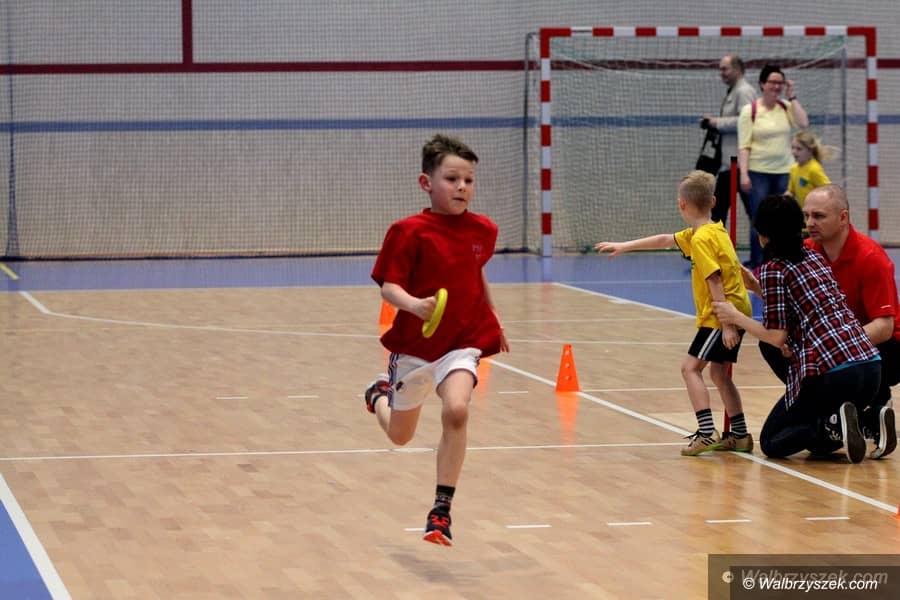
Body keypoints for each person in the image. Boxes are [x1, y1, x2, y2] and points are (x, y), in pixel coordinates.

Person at [363, 134, 509, 546]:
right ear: (426, 183)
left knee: (457, 410)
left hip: (462, 340)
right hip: (415, 348)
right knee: (400, 436)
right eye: (452, 179)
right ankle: (379, 396)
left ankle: (441, 511)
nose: (462, 187)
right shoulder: (408, 232)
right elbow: (389, 287)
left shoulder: (484, 229)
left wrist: (494, 315)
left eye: (469, 180)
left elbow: (476, 269)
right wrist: (415, 305)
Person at [713, 194, 881, 464]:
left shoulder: (774, 268)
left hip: (834, 374)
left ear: (764, 235)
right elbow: (800, 306)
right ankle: (868, 418)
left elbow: (776, 335)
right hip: (870, 367)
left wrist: (735, 316)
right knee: (819, 450)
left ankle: (834, 422)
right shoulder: (814, 256)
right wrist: (756, 287)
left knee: (773, 441)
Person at [595, 170, 753, 455]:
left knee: (689, 368)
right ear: (713, 201)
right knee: (719, 374)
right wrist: (625, 246)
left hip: (720, 316)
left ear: (681, 204)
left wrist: (728, 324)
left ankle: (706, 432)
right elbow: (664, 240)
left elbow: (714, 279)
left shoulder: (701, 239)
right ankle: (740, 435)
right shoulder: (715, 230)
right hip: (737, 309)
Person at [758, 184, 898, 459]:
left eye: (819, 216)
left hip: (885, 348)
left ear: (843, 217)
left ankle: (869, 407)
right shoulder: (809, 251)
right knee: (820, 447)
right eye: (806, 216)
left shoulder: (870, 257)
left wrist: (835, 347)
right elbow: (792, 306)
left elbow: (884, 327)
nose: (810, 223)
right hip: (842, 350)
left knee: (776, 440)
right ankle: (854, 418)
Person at [738, 64, 809, 267]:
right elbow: (744, 145)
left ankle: (785, 261)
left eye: (780, 83)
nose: (776, 86)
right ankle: (760, 263)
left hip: (785, 172)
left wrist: (792, 96)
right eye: (772, 82)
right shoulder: (750, 111)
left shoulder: (786, 107)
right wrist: (744, 174)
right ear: (762, 84)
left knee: (786, 218)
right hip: (758, 173)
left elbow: (804, 123)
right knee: (760, 219)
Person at [701, 54, 757, 226]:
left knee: (753, 212)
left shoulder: (744, 91)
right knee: (718, 211)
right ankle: (715, 242)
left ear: (738, 69)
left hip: (740, 164)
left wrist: (716, 122)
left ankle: (762, 243)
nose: (721, 73)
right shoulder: (734, 91)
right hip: (729, 164)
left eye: (725, 69)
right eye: (720, 69)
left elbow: (746, 121)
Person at [786, 130, 834, 209]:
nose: (794, 152)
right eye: (792, 148)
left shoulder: (814, 169)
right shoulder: (793, 168)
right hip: (804, 212)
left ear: (810, 150)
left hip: (816, 212)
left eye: (799, 149)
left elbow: (829, 191)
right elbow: (791, 191)